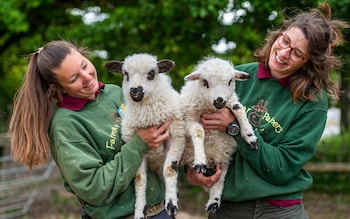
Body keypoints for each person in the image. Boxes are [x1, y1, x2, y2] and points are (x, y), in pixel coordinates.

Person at [186, 3, 348, 219]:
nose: (283, 53)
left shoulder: (312, 101)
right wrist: (193, 173)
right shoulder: (236, 77)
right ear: (277, 36)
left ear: (309, 62)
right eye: (285, 41)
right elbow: (194, 126)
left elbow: (281, 167)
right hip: (227, 208)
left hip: (278, 209)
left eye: (296, 53)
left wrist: (235, 127)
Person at [8, 40, 174, 219]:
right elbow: (94, 189)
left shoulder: (114, 92)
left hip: (161, 209)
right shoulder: (66, 125)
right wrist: (139, 144)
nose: (87, 77)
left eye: (84, 65)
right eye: (74, 78)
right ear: (57, 87)